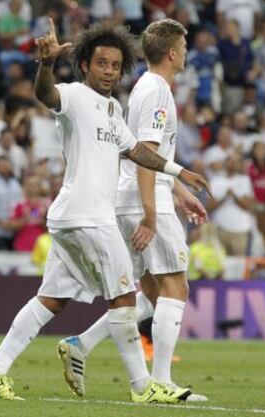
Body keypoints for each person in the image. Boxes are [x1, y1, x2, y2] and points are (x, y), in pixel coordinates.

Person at [0, 20, 210, 403]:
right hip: (89, 217)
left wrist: (178, 172)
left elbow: (137, 151)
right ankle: (143, 387)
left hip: (74, 217)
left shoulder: (114, 108)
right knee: (123, 298)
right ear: (84, 65)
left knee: (51, 298)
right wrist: (46, 64)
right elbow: (47, 95)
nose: (109, 72)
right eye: (101, 64)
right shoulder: (75, 97)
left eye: (115, 66)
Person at [58, 19, 208, 401]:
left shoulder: (147, 87)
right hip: (144, 199)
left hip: (138, 195)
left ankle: (82, 343)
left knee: (149, 292)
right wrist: (152, 212)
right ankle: (161, 382)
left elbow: (147, 152)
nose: (186, 53)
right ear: (173, 53)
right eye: (184, 46)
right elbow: (146, 155)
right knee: (176, 286)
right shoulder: (157, 91)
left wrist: (178, 191)